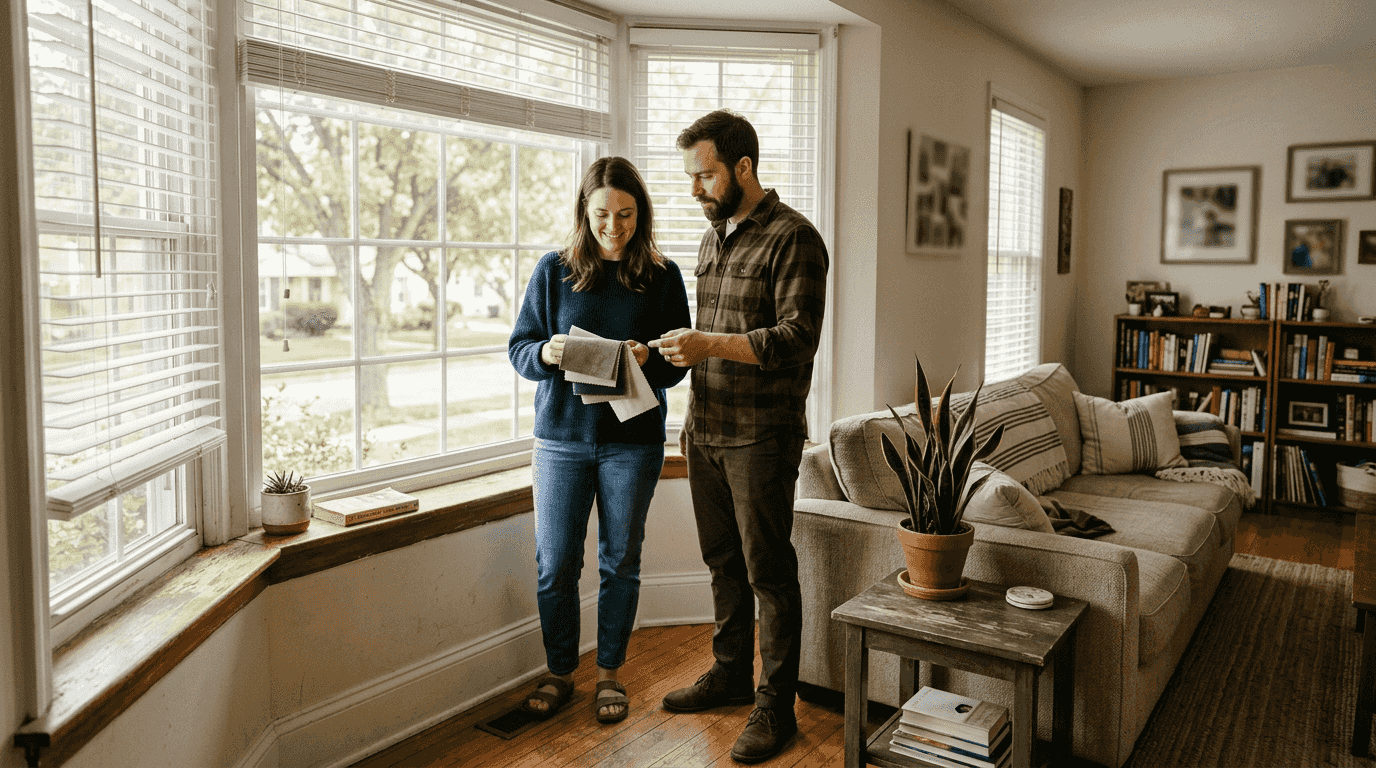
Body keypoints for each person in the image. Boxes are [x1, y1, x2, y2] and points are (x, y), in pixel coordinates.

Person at [649, 110, 828, 763]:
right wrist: (680, 351)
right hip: (705, 430)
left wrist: (708, 343)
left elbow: (795, 339)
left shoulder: (795, 239)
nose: (695, 188)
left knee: (769, 574)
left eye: (705, 174)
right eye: (691, 176)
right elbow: (711, 339)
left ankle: (775, 708)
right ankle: (729, 675)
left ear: (743, 168)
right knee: (721, 563)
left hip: (762, 437)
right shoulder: (711, 238)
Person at [508, 156, 690, 724]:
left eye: (627, 214)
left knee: (620, 561)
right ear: (585, 213)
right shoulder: (552, 270)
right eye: (603, 214)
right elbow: (520, 348)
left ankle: (609, 674)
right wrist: (545, 352)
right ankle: (561, 671)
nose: (614, 226)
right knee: (555, 564)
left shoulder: (663, 275)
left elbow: (678, 362)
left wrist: (648, 355)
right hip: (561, 440)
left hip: (632, 445)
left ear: (642, 213)